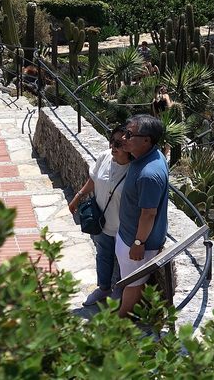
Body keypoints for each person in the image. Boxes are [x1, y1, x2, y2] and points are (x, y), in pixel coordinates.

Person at [67, 127, 134, 308]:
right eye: (112, 141)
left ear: (128, 146)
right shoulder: (104, 157)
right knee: (103, 255)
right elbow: (94, 179)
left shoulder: (134, 170)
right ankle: (103, 288)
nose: (114, 146)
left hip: (123, 227)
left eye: (119, 143)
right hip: (102, 222)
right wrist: (78, 196)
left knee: (122, 261)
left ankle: (119, 289)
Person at [115, 114, 171, 318]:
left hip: (138, 242)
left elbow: (148, 214)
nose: (123, 138)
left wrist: (139, 242)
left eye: (129, 134)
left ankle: (121, 318)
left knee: (133, 283)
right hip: (129, 234)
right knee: (129, 279)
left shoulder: (149, 173)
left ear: (146, 140)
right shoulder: (146, 157)